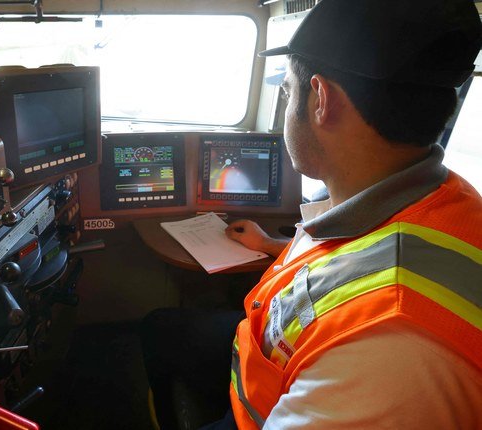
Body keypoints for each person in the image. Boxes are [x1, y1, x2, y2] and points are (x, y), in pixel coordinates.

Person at [141, 0, 482, 428]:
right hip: (272, 350)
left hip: (274, 395)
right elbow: (359, 265)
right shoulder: (443, 198)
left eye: (286, 91)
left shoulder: (391, 355)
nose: (286, 106)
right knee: (162, 328)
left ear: (321, 99)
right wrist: (270, 245)